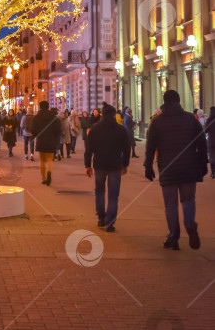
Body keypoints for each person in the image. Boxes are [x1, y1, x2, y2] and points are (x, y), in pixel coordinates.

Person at [145, 89, 208, 251]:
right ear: (179, 101)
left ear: (164, 102)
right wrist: (203, 164)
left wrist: (148, 166)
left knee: (171, 205)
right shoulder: (190, 119)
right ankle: (189, 223)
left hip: (168, 169)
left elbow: (150, 146)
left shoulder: (157, 122)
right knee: (188, 200)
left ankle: (173, 237)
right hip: (189, 168)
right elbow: (201, 143)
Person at [84, 103, 130, 232]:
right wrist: (125, 164)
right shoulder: (121, 129)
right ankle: (110, 221)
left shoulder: (94, 128)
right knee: (113, 195)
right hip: (115, 165)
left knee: (99, 191)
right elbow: (127, 149)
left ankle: (101, 217)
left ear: (102, 114)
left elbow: (88, 149)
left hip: (99, 164)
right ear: (114, 115)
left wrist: (88, 165)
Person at [31, 100, 62, 185]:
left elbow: (33, 129)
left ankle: (44, 178)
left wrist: (36, 135)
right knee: (50, 159)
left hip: (41, 140)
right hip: (51, 140)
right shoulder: (54, 117)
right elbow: (58, 129)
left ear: (40, 107)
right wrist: (55, 137)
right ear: (48, 107)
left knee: (42, 160)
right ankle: (49, 172)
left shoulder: (37, 117)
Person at [205, 107, 215, 178]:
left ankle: (213, 173)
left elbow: (205, 130)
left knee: (211, 156)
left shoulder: (209, 120)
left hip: (211, 141)